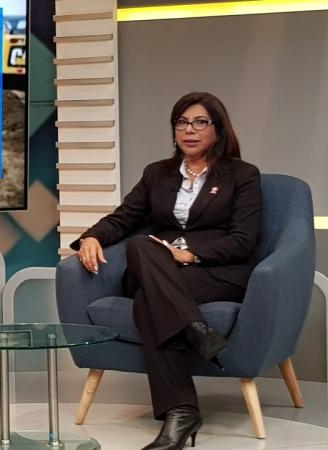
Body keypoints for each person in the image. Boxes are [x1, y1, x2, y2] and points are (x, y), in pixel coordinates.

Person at [71, 92, 261, 450]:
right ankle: (195, 329)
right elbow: (123, 218)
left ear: (218, 129)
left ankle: (181, 412)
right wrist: (91, 237)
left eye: (200, 122)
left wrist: (190, 255)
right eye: (182, 123)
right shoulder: (157, 173)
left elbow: (243, 240)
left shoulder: (242, 175)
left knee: (149, 300)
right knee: (140, 245)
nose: (189, 130)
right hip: (160, 267)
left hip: (214, 272)